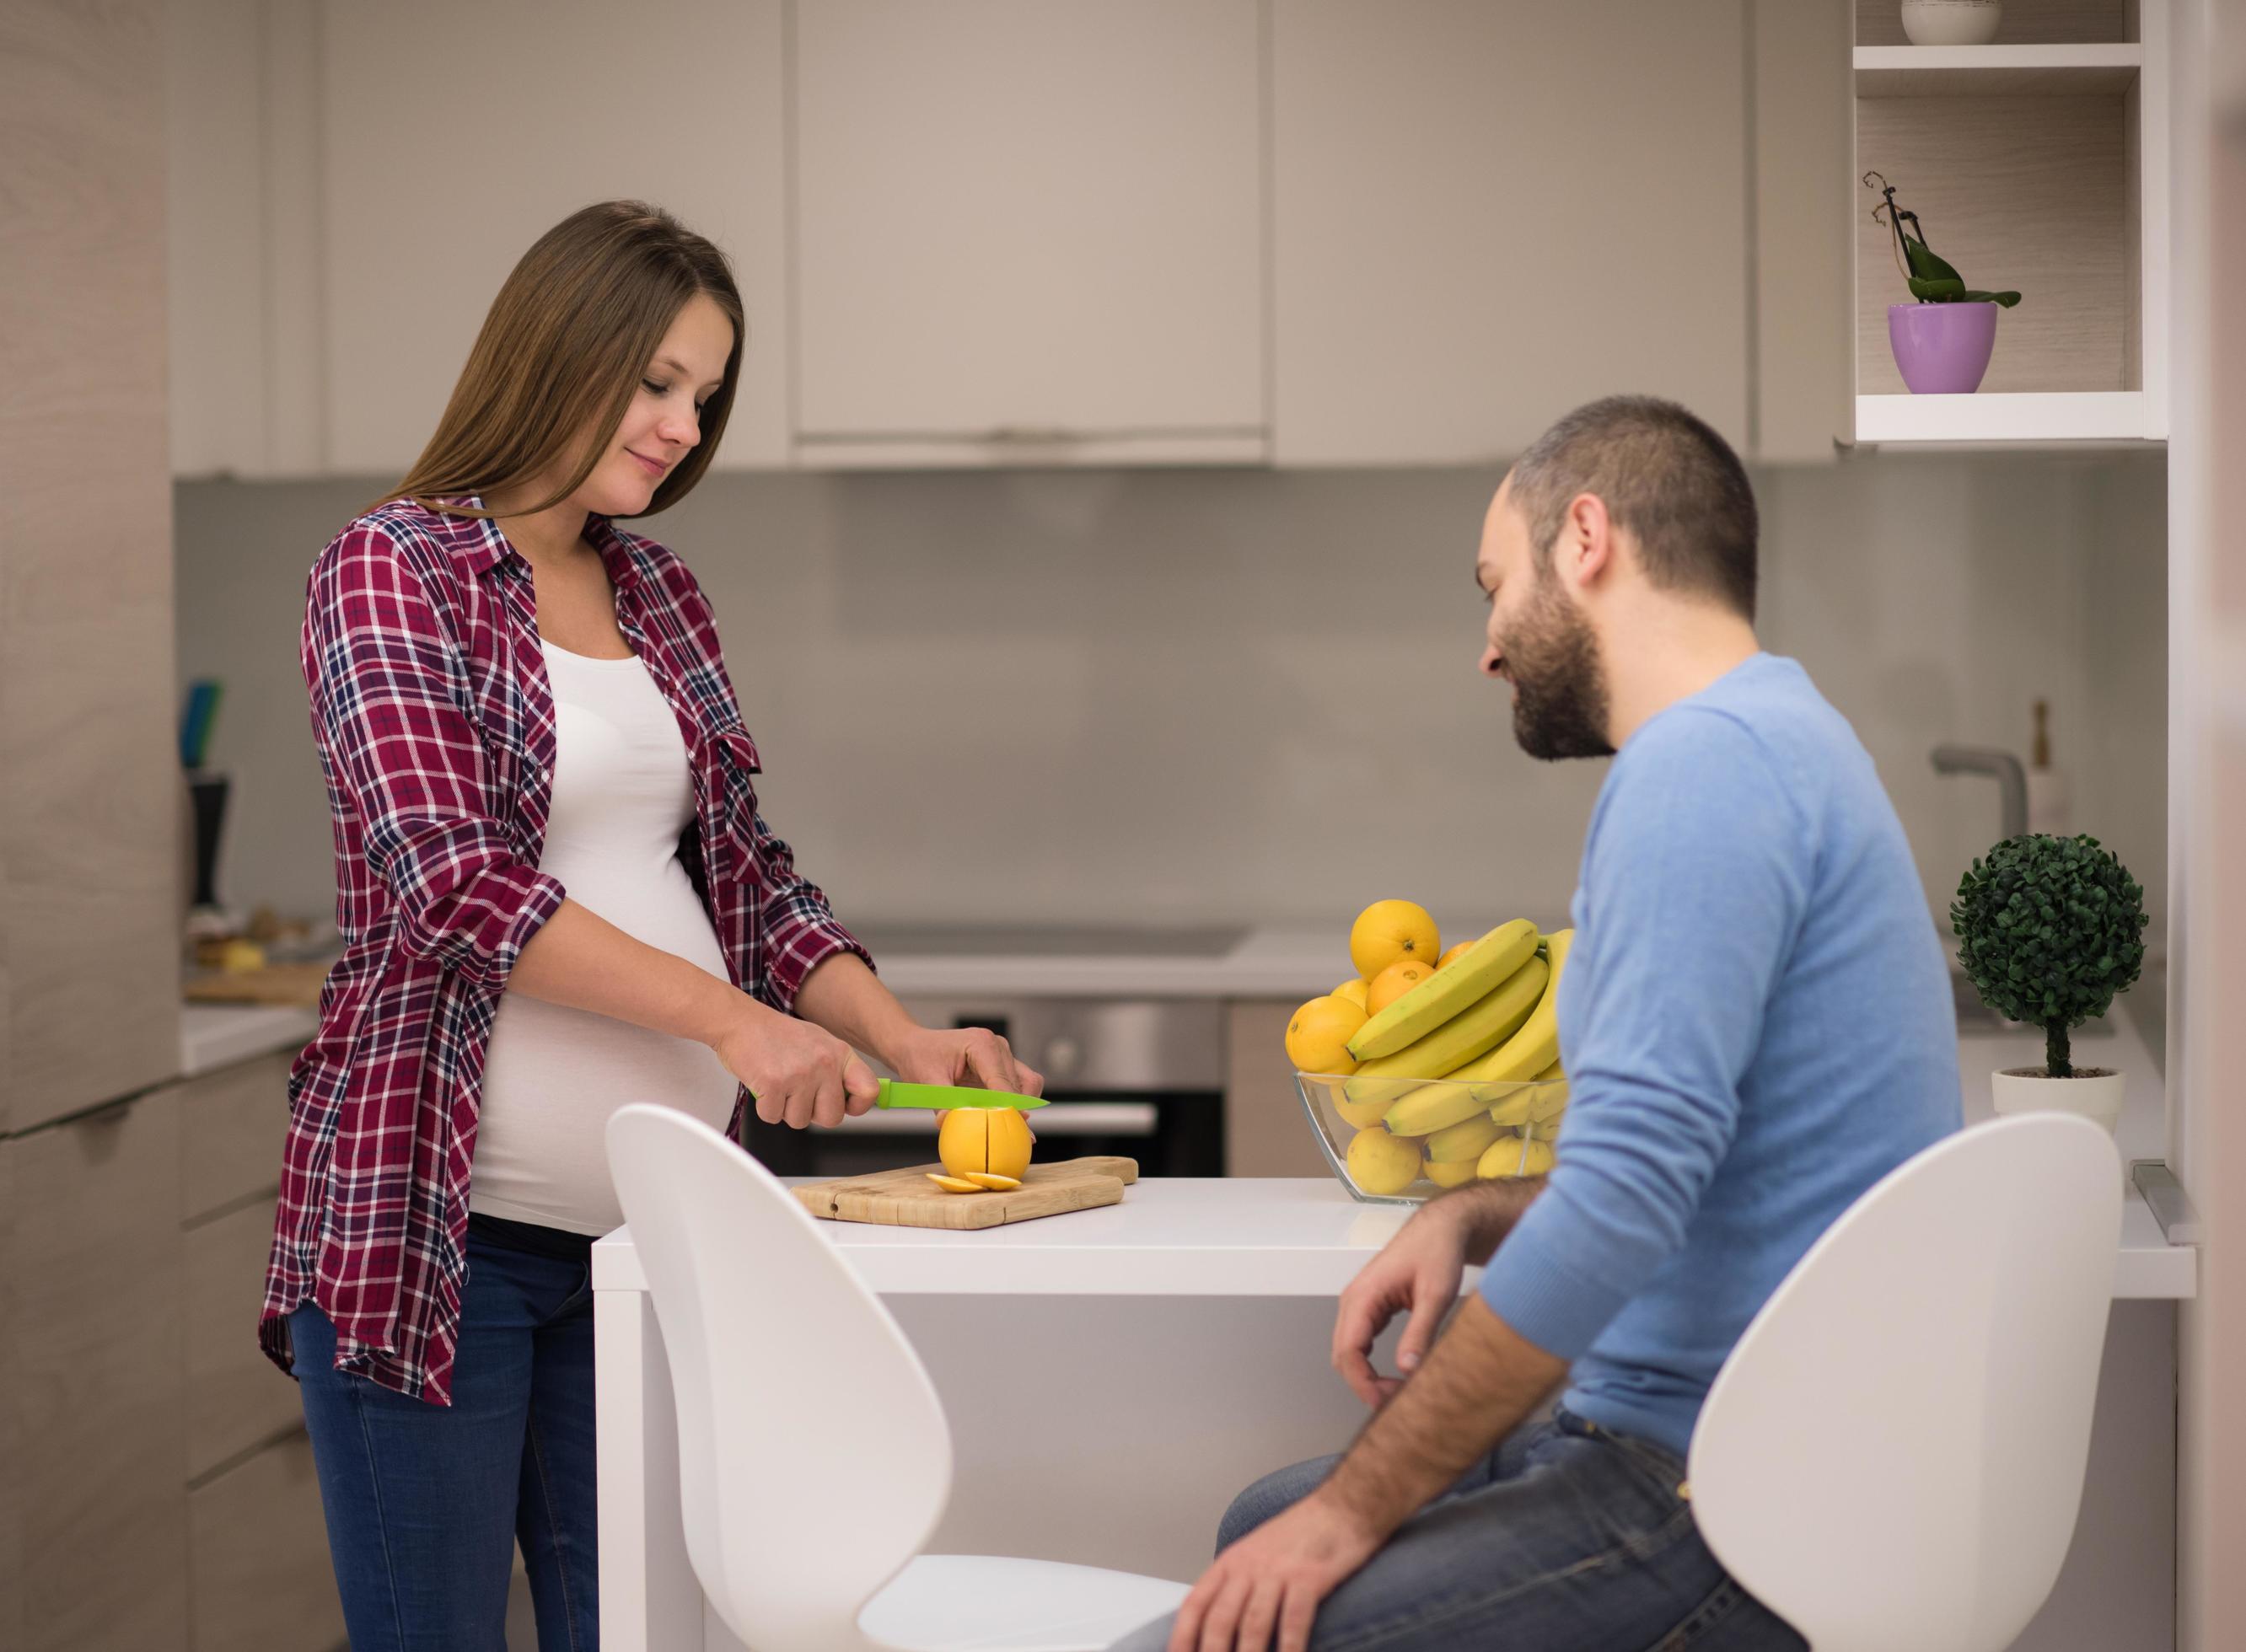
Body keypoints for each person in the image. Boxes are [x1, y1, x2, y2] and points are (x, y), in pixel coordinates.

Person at [259, 201, 1043, 1650]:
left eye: (705, 392)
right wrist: (736, 1023)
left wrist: (887, 1025)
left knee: (646, 1635)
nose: (684, 424)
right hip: (438, 1241)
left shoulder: (656, 590)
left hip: (655, 1242)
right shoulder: (389, 569)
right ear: (559, 353)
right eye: (658, 380)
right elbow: (450, 881)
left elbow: (747, 871)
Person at [1122, 395, 1960, 1652]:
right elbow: (1703, 1172)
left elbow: (1625, 1199)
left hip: (1715, 1496)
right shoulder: (1784, 733)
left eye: (1490, 584)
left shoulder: (1699, 770)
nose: (1488, 645)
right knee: (1258, 1519)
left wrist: (1352, 1515)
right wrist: (1467, 1212)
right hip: (1738, 1441)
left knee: (1225, 1618)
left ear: (1584, 539)